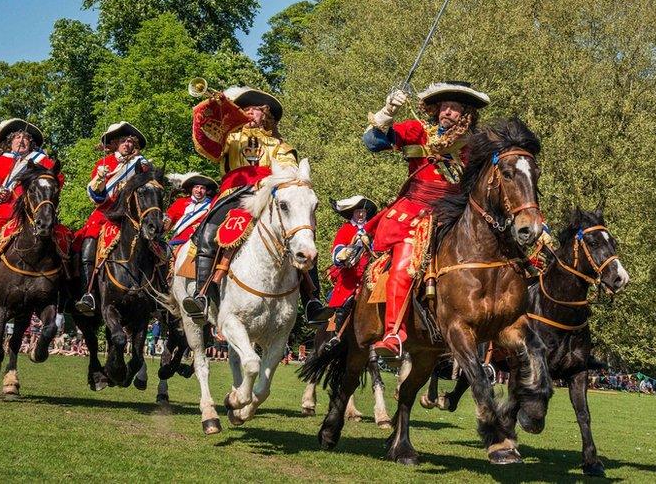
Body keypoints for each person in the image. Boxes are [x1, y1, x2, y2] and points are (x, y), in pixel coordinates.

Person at [363, 81, 490, 357]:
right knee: (404, 262)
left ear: (466, 113)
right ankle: (394, 333)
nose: (448, 112)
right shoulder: (418, 131)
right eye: (444, 106)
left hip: (455, 212)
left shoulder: (477, 146)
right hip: (415, 210)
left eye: (455, 108)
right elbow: (372, 143)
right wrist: (387, 111)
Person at [183, 86, 327, 324]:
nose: (251, 113)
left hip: (268, 195)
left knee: (302, 236)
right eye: (246, 109)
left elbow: (290, 173)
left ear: (266, 115)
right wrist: (210, 108)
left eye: (257, 110)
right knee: (208, 231)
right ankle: (202, 294)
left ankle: (312, 300)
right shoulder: (230, 137)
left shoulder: (280, 145)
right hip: (233, 194)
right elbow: (205, 143)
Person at [0, 119, 62, 308]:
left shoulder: (42, 162)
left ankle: (64, 289)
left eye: (25, 138)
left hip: (34, 212)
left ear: (31, 143)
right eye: (17, 137)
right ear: (10, 141)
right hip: (5, 212)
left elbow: (56, 179)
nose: (21, 140)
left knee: (63, 239)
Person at [74, 122, 150, 315]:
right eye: (123, 141)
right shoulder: (103, 164)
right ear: (115, 144)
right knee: (88, 245)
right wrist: (100, 179)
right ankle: (88, 293)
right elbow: (95, 198)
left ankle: (156, 291)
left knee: (155, 246)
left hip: (131, 217)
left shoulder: (141, 164)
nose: (127, 144)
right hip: (106, 215)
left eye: (130, 141)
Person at [326, 195, 378, 328]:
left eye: (363, 212)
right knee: (345, 302)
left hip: (373, 272)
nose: (361, 214)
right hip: (351, 275)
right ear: (352, 213)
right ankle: (336, 333)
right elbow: (337, 251)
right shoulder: (346, 229)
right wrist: (345, 252)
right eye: (357, 211)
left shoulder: (373, 229)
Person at [165, 173, 216, 248]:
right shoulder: (180, 202)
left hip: (198, 243)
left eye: (202, 188)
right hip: (176, 242)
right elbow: (168, 219)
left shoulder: (212, 204)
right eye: (196, 187)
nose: (199, 190)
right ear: (191, 189)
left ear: (207, 191)